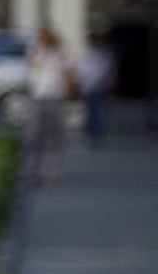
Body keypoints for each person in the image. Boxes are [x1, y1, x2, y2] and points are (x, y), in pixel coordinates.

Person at [26, 27, 74, 183]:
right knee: (35, 137)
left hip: (55, 99)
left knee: (54, 137)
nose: (43, 42)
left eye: (45, 39)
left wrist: (69, 95)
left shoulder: (60, 56)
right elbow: (30, 70)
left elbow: (68, 76)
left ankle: (51, 172)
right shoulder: (36, 55)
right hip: (38, 99)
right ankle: (35, 170)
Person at [77, 32, 115, 148]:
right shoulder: (87, 54)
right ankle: (91, 132)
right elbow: (81, 70)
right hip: (88, 86)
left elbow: (106, 70)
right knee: (90, 110)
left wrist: (106, 83)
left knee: (98, 110)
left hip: (98, 86)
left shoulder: (103, 55)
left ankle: (96, 132)